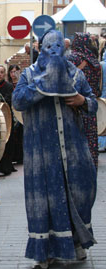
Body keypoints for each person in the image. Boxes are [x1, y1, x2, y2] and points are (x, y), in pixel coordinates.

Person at [13, 30, 97, 269]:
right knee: (44, 201)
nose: (54, 52)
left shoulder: (76, 75)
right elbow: (18, 101)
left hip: (73, 150)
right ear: (39, 48)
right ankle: (44, 253)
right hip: (41, 154)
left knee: (79, 195)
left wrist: (82, 101)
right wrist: (45, 84)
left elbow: (93, 104)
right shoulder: (29, 75)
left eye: (59, 47)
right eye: (49, 47)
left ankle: (77, 243)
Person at [68, 33, 101, 168]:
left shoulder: (72, 59)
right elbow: (98, 90)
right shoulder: (95, 62)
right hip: (90, 109)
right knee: (90, 147)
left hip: (74, 110)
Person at [7, 64, 23, 164]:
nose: (13, 74)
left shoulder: (21, 83)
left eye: (15, 71)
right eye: (11, 72)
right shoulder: (8, 84)